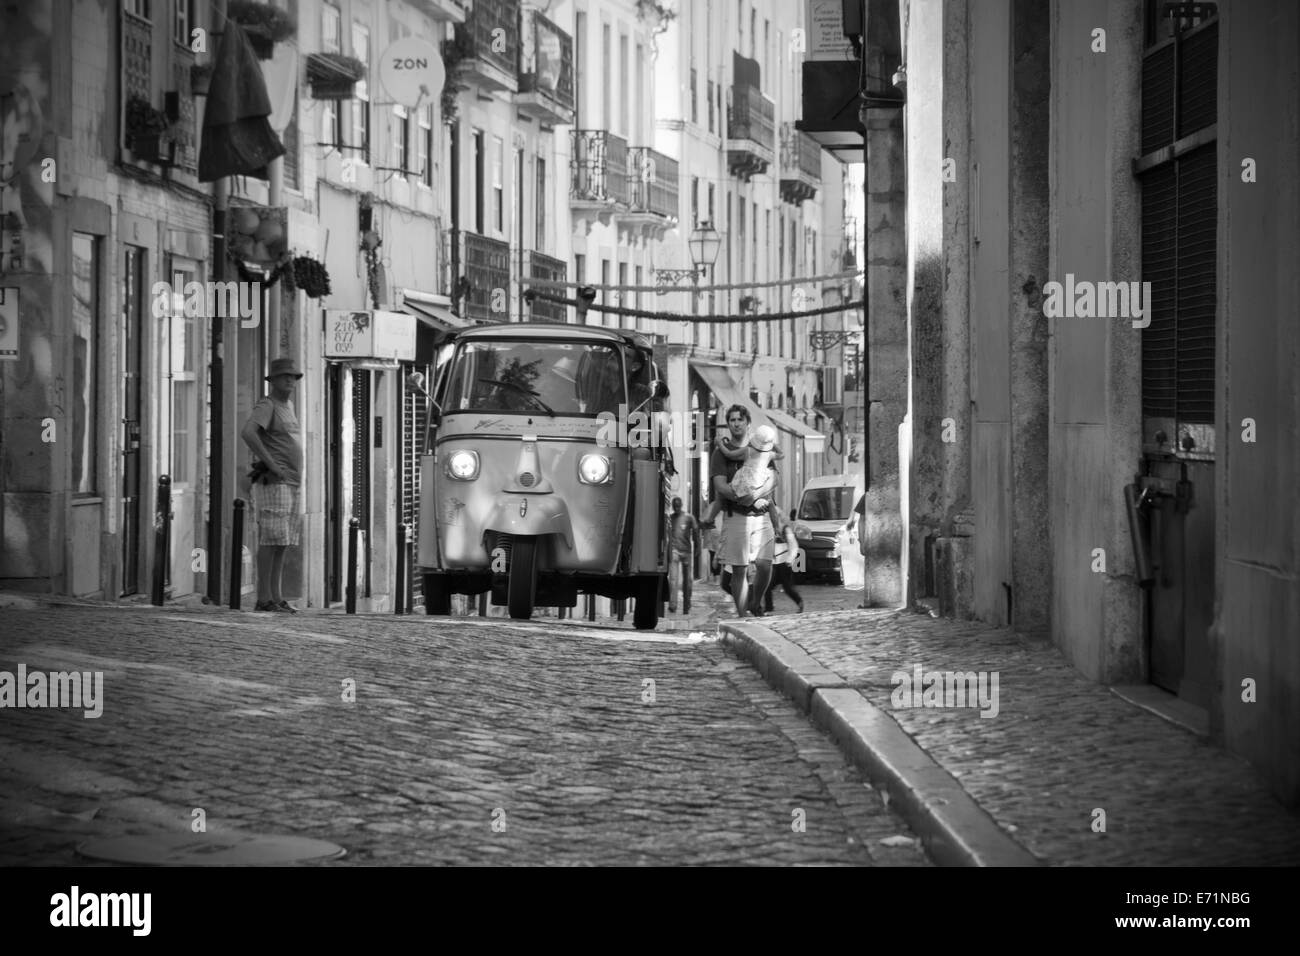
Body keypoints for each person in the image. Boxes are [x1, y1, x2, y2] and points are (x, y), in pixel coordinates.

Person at [240, 357, 304, 613]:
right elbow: (248, 432)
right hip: (274, 481)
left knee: (282, 541)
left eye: (294, 376)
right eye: (285, 376)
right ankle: (264, 598)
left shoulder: (288, 405)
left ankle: (276, 597)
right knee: (271, 539)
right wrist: (271, 463)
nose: (290, 380)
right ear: (273, 380)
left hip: (291, 482)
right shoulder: (268, 405)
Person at [713, 416, 779, 617]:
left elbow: (775, 478)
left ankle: (755, 601)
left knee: (764, 564)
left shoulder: (766, 453)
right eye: (732, 420)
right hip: (737, 517)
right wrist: (742, 497)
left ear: (748, 424)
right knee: (739, 569)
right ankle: (743, 616)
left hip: (761, 515)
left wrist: (753, 496)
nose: (736, 423)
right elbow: (720, 486)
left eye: (740, 419)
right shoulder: (735, 451)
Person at [764, 510, 804, 613]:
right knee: (767, 586)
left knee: (788, 588)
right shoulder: (771, 529)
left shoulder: (785, 529)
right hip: (774, 564)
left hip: (784, 564)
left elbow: (793, 545)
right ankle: (768, 608)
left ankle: (799, 602)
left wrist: (791, 558)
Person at [666, 496, 700, 615]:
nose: (676, 508)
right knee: (673, 580)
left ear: (681, 505)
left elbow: (696, 532)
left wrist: (698, 547)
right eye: (674, 506)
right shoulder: (670, 518)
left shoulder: (689, 518)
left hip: (686, 552)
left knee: (688, 581)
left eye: (678, 506)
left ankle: (687, 605)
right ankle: (673, 605)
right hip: (674, 551)